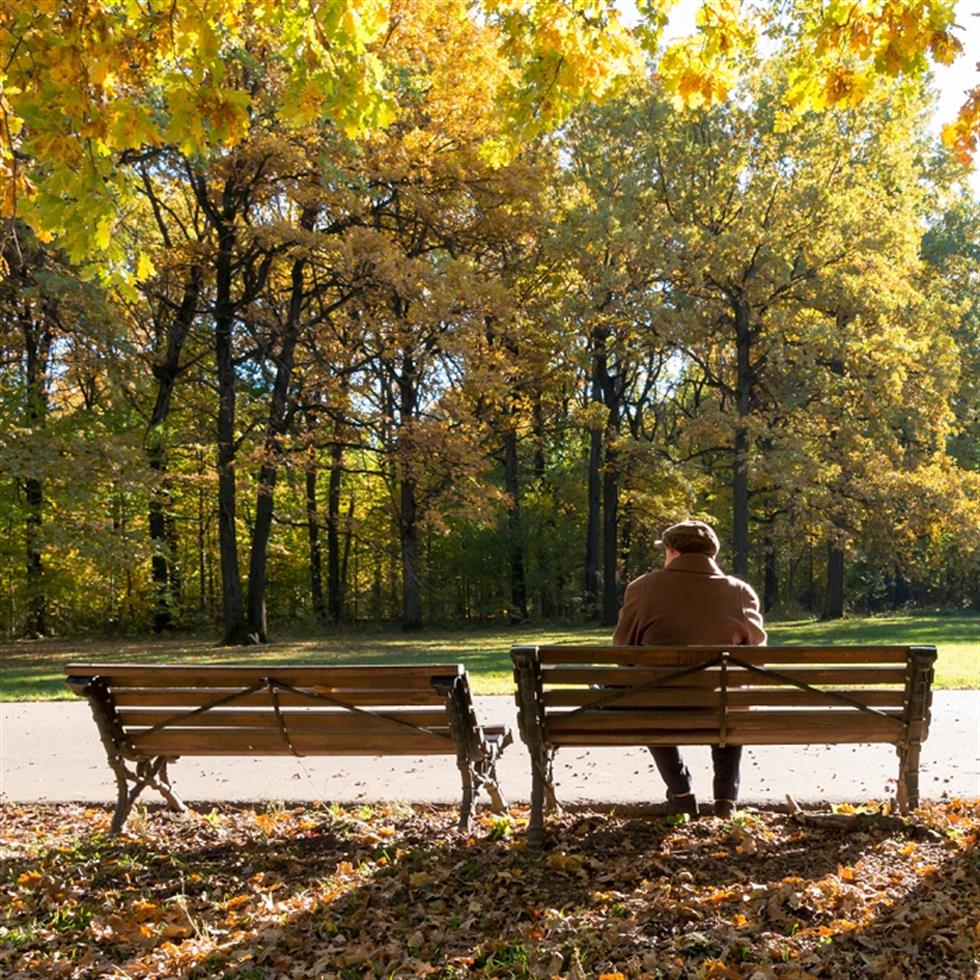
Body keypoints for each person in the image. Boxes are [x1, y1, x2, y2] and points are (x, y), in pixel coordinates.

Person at [612, 519, 767, 819]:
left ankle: (681, 792)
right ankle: (725, 801)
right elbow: (755, 660)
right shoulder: (740, 592)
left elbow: (622, 653)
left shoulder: (643, 588)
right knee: (729, 696)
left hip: (660, 707)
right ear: (712, 554)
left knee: (648, 696)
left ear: (674, 553)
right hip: (720, 705)